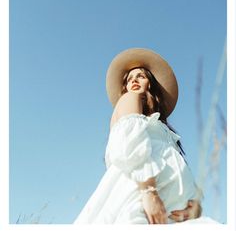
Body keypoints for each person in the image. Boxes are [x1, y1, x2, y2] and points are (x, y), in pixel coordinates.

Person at [74, 48, 219, 224]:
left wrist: (195, 205)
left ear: (150, 83)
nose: (134, 80)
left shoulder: (161, 127)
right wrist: (149, 192)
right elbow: (127, 144)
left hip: (173, 209)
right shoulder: (130, 99)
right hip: (142, 195)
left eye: (140, 76)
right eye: (129, 79)